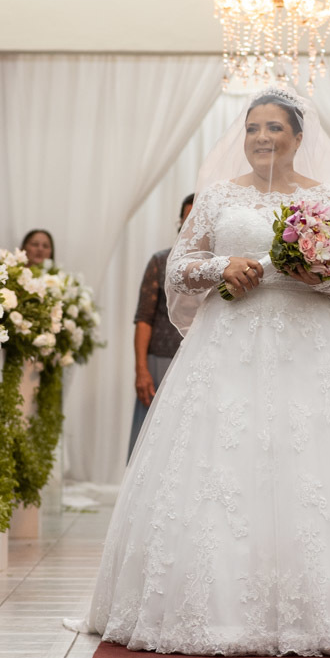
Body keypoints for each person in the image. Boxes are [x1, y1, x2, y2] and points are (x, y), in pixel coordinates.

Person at [65, 88, 330, 656]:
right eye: (252, 128)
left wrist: (316, 275)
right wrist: (226, 265)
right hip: (229, 343)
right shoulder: (217, 197)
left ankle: (326, 605)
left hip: (310, 347)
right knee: (220, 460)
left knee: (315, 464)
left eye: (275, 128)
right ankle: (209, 605)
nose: (262, 138)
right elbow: (179, 265)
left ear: (299, 138)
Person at [128, 194, 196, 461]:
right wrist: (142, 370)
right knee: (153, 448)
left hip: (200, 362)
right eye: (187, 216)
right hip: (160, 363)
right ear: (179, 220)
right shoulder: (160, 261)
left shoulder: (223, 265)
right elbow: (143, 317)